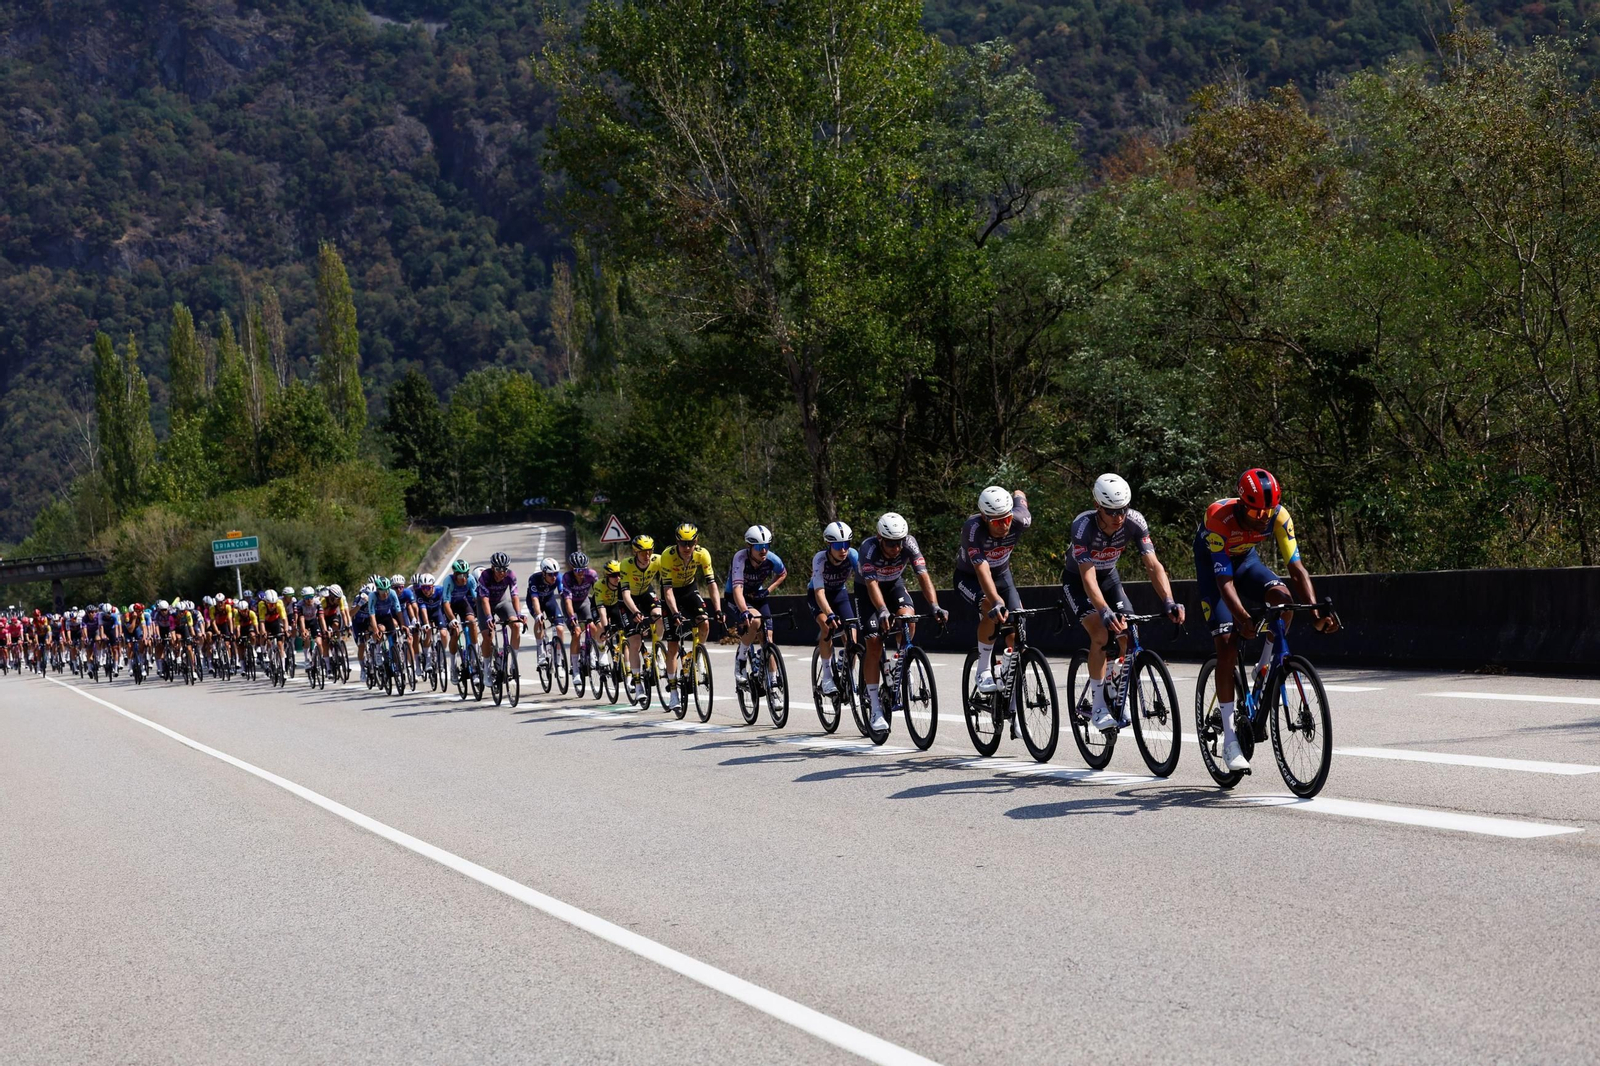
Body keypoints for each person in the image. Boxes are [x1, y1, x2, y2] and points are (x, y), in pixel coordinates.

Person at [1195, 468, 1340, 772]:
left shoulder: (1279, 515)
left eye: (1267, 510)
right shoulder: (1219, 517)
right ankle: (1230, 740)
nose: (1262, 517)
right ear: (1241, 503)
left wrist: (1315, 614)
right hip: (1214, 569)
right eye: (1255, 511)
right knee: (1227, 643)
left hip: (1246, 562)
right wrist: (1243, 618)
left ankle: (1263, 666)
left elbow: (1297, 569)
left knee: (1283, 600)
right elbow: (1224, 582)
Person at [1061, 473, 1185, 731]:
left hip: (1109, 578)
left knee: (1128, 634)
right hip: (1079, 581)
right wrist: (1103, 610)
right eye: (1111, 511)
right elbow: (1088, 577)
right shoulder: (1083, 526)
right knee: (1100, 633)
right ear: (1097, 506)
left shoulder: (1135, 521)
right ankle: (1098, 706)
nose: (1118, 517)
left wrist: (1169, 601)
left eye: (1123, 510)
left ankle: (1116, 686)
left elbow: (1153, 566)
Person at [857, 512, 947, 732]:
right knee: (874, 643)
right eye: (891, 543)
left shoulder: (909, 543)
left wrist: (934, 605)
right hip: (868, 591)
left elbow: (923, 575)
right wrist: (882, 611)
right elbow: (871, 585)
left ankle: (902, 662)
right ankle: (875, 709)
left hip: (894, 585)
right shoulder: (868, 548)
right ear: (880, 538)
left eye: (899, 542)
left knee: (909, 618)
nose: (896, 548)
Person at [953, 485, 1031, 694]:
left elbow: (1020, 498)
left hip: (1002, 575)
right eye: (997, 522)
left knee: (1017, 624)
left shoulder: (1021, 519)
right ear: (984, 517)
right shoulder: (973, 529)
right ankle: (983, 670)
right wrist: (996, 601)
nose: (1004, 525)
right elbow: (982, 570)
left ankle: (1009, 679)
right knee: (991, 608)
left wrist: (1018, 493)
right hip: (970, 577)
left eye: (1007, 519)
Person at [656, 523, 721, 712]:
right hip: (671, 594)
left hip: (690, 590)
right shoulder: (667, 556)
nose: (686, 547)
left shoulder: (702, 554)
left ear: (696, 541)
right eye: (682, 543)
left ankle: (698, 656)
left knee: (705, 623)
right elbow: (667, 590)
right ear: (677, 541)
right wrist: (675, 612)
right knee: (673, 645)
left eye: (690, 543)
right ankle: (673, 693)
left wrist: (718, 609)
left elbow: (711, 584)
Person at [724, 525, 788, 687]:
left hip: (756, 595)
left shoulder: (772, 559)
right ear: (749, 546)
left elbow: (782, 573)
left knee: (768, 638)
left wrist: (767, 590)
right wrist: (745, 611)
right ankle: (741, 660)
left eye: (766, 546)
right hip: (735, 596)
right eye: (759, 547)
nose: (763, 550)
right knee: (756, 621)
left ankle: (772, 681)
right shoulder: (740, 558)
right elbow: (737, 590)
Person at [809, 521, 860, 696]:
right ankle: (827, 677)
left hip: (839, 593)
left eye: (846, 544)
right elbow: (819, 592)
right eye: (838, 545)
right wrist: (830, 614)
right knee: (826, 626)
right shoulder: (820, 559)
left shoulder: (852, 555)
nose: (843, 549)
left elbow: (866, 581)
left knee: (852, 636)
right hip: (818, 595)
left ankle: (848, 675)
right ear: (829, 545)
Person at [618, 535, 662, 700]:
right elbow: (625, 594)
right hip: (628, 599)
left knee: (659, 616)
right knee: (635, 642)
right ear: (635, 552)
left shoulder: (657, 560)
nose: (647, 555)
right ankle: (637, 686)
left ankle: (658, 650)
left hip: (645, 593)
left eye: (650, 551)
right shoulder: (626, 564)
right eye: (643, 552)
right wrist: (636, 611)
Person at [476, 552, 526, 664]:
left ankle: (513, 663)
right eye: (498, 569)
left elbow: (514, 596)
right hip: (485, 604)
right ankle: (487, 668)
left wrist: (518, 613)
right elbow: (484, 600)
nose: (502, 573)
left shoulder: (510, 575)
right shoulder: (485, 576)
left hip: (501, 602)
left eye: (504, 569)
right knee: (487, 636)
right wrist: (489, 617)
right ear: (492, 568)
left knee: (516, 625)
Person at [561, 551, 600, 677]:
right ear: (572, 568)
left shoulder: (592, 575)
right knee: (577, 633)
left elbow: (599, 593)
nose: (581, 572)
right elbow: (567, 601)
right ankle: (575, 667)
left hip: (584, 602)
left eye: (583, 569)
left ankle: (591, 651)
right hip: (570, 604)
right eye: (577, 570)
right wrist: (572, 617)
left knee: (593, 627)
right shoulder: (567, 578)